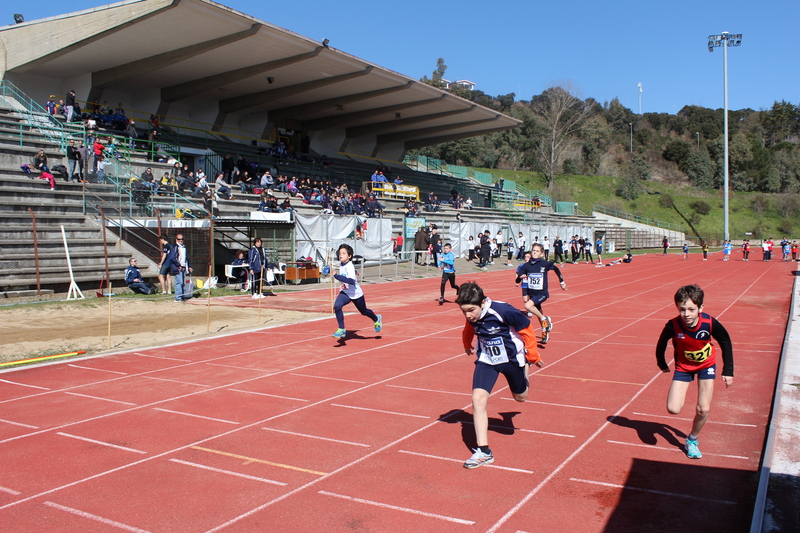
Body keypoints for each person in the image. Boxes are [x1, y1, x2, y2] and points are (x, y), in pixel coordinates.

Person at [456, 281, 542, 469]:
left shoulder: (503, 311)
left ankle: (524, 368)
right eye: (464, 311)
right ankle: (484, 452)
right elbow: (468, 327)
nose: (468, 315)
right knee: (477, 399)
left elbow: (527, 329)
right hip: (487, 360)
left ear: (483, 302)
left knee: (521, 397)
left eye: (471, 310)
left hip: (511, 360)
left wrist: (533, 355)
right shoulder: (472, 316)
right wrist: (466, 343)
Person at [656, 284, 734, 459]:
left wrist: (728, 370)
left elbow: (726, 342)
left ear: (701, 308)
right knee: (673, 409)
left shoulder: (710, 323)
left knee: (703, 409)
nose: (687, 314)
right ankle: (690, 436)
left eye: (691, 309)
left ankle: (692, 439)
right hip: (684, 367)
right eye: (682, 309)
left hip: (706, 365)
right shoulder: (673, 325)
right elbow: (661, 344)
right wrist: (662, 363)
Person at [515, 243, 567, 344]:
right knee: (538, 312)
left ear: (541, 254)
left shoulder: (544, 264)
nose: (535, 252)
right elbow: (517, 280)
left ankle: (545, 319)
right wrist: (519, 278)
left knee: (527, 305)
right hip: (532, 293)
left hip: (542, 293)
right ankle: (544, 330)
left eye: (537, 251)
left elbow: (556, 269)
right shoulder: (526, 266)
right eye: (533, 250)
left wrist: (562, 282)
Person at [332, 244, 382, 339]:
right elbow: (348, 272)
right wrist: (355, 272)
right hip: (345, 292)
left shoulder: (349, 265)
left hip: (355, 293)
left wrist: (336, 276)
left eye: (343, 253)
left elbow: (351, 281)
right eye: (339, 253)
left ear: (349, 256)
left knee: (363, 311)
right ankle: (341, 329)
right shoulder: (342, 264)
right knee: (337, 306)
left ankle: (376, 318)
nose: (340, 255)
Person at [168, 234, 192, 302]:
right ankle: (178, 298)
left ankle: (181, 296)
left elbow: (186, 258)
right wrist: (178, 265)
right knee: (179, 282)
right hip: (178, 267)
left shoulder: (184, 247)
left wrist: (189, 266)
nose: (181, 240)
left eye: (182, 239)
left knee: (183, 282)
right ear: (176, 240)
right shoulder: (175, 247)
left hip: (184, 267)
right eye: (179, 239)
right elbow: (172, 257)